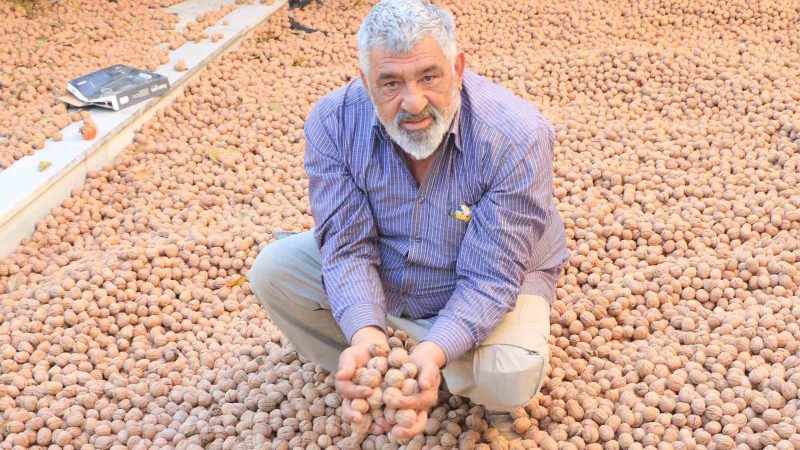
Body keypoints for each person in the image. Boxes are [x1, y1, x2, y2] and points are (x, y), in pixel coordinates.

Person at [248, 0, 568, 441]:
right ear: (365, 82)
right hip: (392, 259)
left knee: (509, 373)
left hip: (487, 274)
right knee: (274, 272)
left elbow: (491, 278)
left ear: (457, 67)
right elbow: (347, 247)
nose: (414, 102)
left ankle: (439, 362)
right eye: (391, 83)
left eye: (430, 77)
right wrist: (366, 338)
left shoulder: (516, 136)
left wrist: (433, 352)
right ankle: (379, 363)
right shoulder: (333, 123)